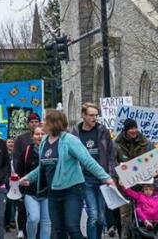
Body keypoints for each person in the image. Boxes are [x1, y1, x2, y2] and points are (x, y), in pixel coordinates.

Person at [19, 110, 115, 239]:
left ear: (54, 123)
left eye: (45, 120)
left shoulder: (70, 140)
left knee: (72, 227)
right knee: (59, 230)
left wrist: (106, 178)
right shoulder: (44, 141)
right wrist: (28, 178)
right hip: (52, 192)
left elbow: (87, 160)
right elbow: (42, 166)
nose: (42, 122)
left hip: (72, 190)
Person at [70, 102, 117, 239]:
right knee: (93, 214)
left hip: (102, 178)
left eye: (96, 115)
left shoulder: (103, 131)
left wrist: (110, 174)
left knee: (101, 216)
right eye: (91, 115)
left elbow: (111, 155)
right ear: (83, 115)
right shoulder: (75, 134)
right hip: (85, 178)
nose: (94, 118)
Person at [115, 118, 152, 239]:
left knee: (145, 211)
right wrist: (118, 176)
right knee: (125, 214)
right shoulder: (116, 144)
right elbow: (112, 162)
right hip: (124, 184)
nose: (133, 130)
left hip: (143, 184)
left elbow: (154, 158)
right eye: (131, 128)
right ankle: (125, 235)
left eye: (135, 128)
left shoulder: (146, 142)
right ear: (125, 130)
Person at [15, 125, 50, 239]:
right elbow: (19, 170)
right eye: (37, 134)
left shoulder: (51, 150)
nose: (40, 136)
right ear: (32, 136)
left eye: (43, 133)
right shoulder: (27, 150)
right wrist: (21, 181)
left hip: (48, 192)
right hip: (30, 192)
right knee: (34, 218)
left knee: (46, 222)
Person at [12, 112, 41, 239]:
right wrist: (19, 178)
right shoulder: (21, 139)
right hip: (25, 178)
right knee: (22, 207)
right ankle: (22, 229)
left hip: (41, 180)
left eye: (36, 121)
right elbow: (17, 158)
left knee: (39, 214)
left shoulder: (45, 137)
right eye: (31, 122)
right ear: (28, 124)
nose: (34, 124)